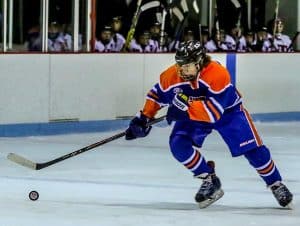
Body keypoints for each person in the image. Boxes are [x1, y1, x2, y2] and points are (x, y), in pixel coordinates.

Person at [125, 40, 293, 208]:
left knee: (253, 150)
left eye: (187, 66)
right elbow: (156, 95)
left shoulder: (218, 74)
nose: (182, 70)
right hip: (193, 113)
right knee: (178, 145)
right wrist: (143, 119)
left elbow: (213, 114)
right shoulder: (171, 75)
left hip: (228, 113)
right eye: (179, 65)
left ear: (199, 63)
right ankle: (209, 179)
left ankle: (275, 184)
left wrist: (184, 109)